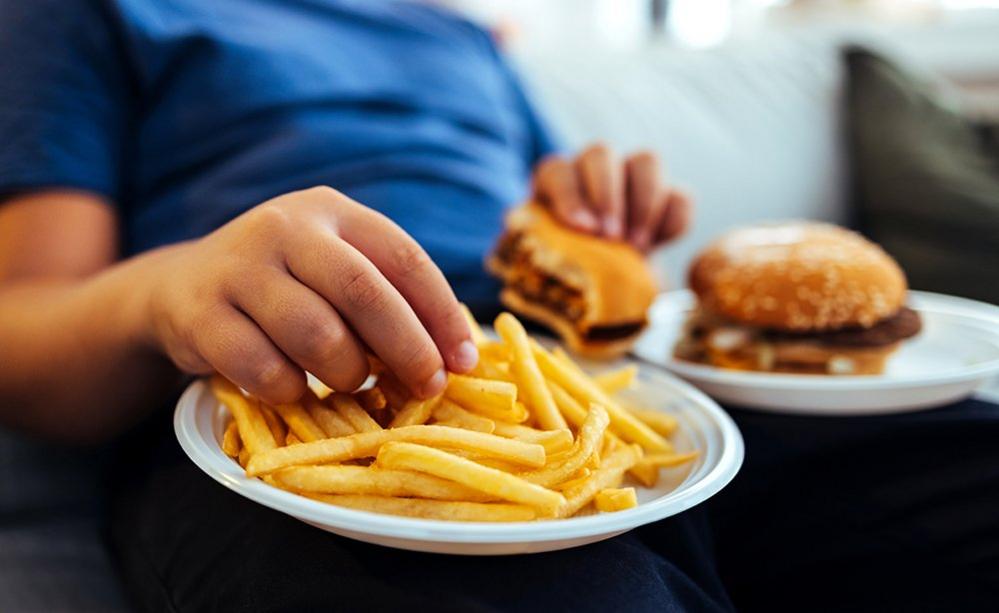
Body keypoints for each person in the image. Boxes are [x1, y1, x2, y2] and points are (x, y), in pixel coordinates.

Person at [3, 2, 998, 612]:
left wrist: (595, 226)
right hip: (288, 403)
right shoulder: (90, 11)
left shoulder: (462, 37)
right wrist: (167, 285)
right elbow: (24, 330)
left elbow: (546, 224)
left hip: (588, 395)